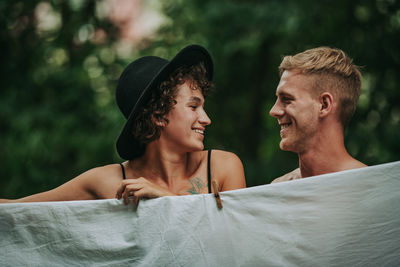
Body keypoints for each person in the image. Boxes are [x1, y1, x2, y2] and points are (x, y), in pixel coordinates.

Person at [0, 44, 246, 204]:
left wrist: (166, 199)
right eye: (193, 107)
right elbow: (18, 210)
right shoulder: (110, 181)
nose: (206, 118)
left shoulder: (224, 167)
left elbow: (238, 239)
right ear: (158, 114)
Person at [269, 46, 366, 183]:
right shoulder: (279, 188)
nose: (274, 111)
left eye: (287, 99)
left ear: (324, 105)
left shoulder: (371, 187)